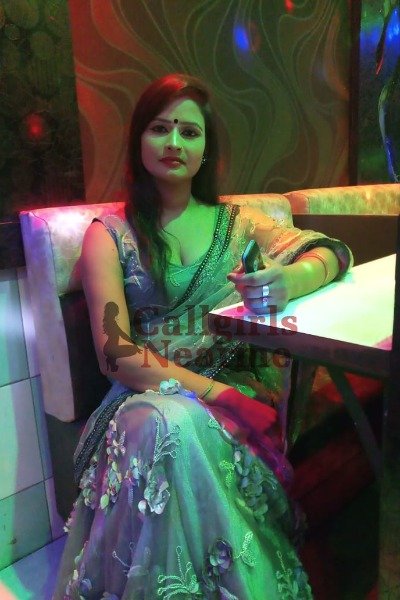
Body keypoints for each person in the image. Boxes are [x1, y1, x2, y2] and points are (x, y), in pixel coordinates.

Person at [54, 73, 352, 599]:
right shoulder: (111, 235)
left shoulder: (239, 224)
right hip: (147, 395)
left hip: (236, 389)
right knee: (169, 422)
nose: (174, 142)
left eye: (189, 132)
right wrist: (221, 396)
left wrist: (290, 279)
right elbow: (115, 352)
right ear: (138, 140)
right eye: (159, 128)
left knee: (175, 425)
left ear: (205, 149)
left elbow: (332, 250)